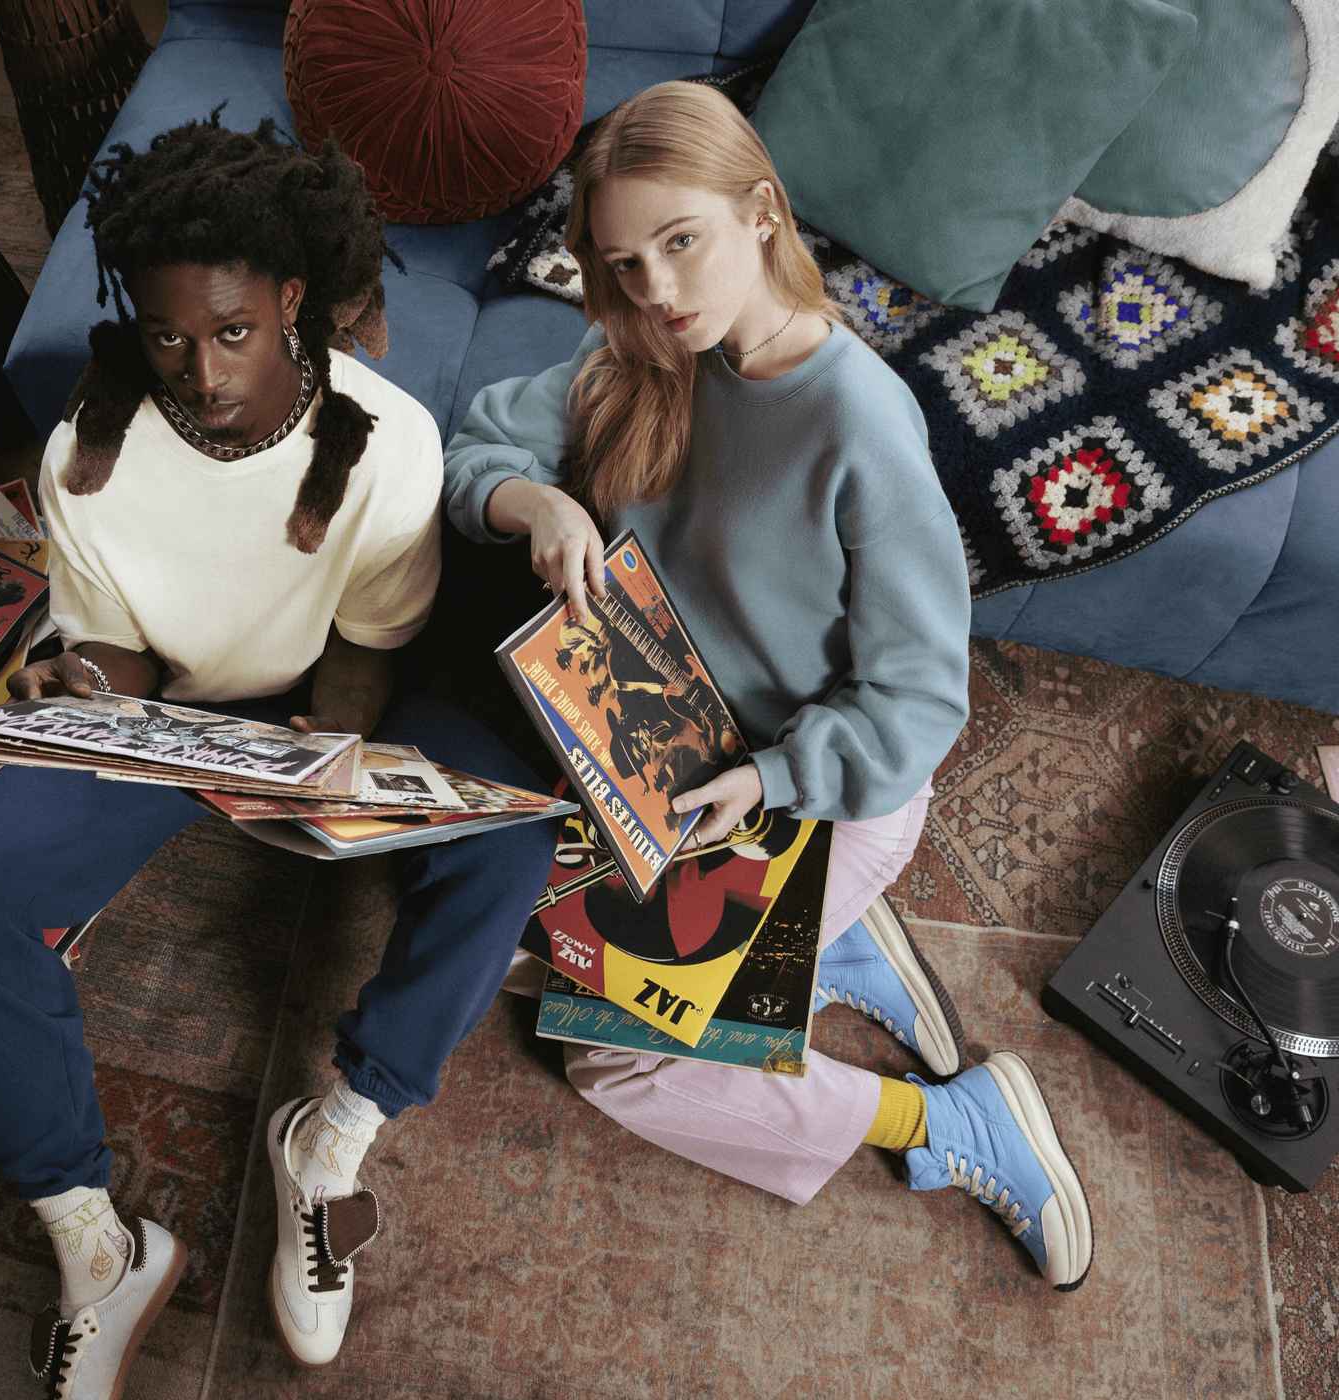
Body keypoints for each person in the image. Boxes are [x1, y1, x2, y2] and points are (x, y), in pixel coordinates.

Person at [0, 113, 559, 1398]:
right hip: (182, 716)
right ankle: (95, 1239)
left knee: (517, 830)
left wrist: (324, 769)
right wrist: (78, 691)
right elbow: (124, 659)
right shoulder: (83, 461)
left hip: (336, 695)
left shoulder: (391, 439)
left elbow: (371, 648)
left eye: (234, 333)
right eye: (165, 336)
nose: (199, 372)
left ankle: (333, 1130)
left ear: (294, 301)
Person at [443, 81, 1094, 1291]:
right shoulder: (641, 350)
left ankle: (954, 1122)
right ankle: (833, 955)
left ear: (760, 213)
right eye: (624, 262)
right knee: (524, 951)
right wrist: (530, 499)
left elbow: (918, 707)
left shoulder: (862, 423)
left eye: (680, 243)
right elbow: (476, 440)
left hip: (813, 790)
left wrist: (773, 777)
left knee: (616, 1064)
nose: (657, 291)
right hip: (657, 759)